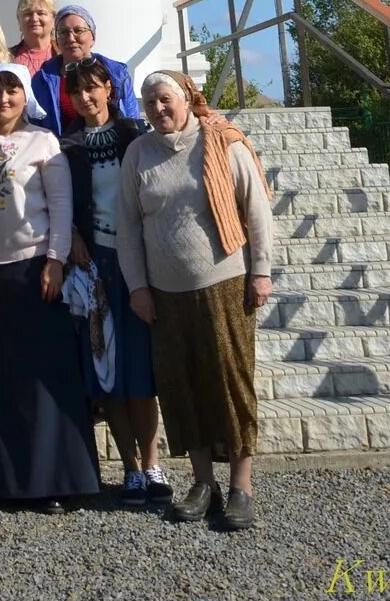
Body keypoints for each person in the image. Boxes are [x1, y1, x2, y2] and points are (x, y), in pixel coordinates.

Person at [118, 71, 274, 533]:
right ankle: (202, 482)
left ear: (185, 98)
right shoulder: (138, 153)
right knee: (180, 386)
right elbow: (128, 227)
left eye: (165, 99)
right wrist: (138, 287)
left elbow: (256, 210)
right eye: (149, 102)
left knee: (231, 382)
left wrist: (261, 271)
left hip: (224, 281)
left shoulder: (222, 142)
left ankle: (240, 487)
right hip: (165, 292)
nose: (158, 108)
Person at [0, 65, 100, 510]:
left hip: (35, 269)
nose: (4, 97)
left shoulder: (43, 141)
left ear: (24, 94)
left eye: (12, 88)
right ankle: (8, 481)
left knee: (44, 378)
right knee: (4, 379)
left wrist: (56, 259)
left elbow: (61, 203)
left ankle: (55, 478)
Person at [59, 57, 166, 504]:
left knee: (140, 368)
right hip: (96, 265)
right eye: (78, 91)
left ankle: (153, 463)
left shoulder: (135, 136)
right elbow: (64, 202)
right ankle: (129, 469)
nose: (86, 97)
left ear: (108, 88)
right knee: (110, 371)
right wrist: (75, 236)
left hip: (136, 264)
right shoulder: (70, 146)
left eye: (93, 88)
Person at [32, 4, 140, 135]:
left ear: (93, 37)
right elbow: (36, 125)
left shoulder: (116, 74)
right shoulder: (43, 79)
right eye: (63, 32)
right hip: (61, 150)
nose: (71, 38)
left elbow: (132, 118)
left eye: (78, 31)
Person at [8, 0, 57, 75]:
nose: (34, 19)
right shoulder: (5, 58)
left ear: (53, 20)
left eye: (41, 13)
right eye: (28, 14)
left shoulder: (65, 55)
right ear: (19, 21)